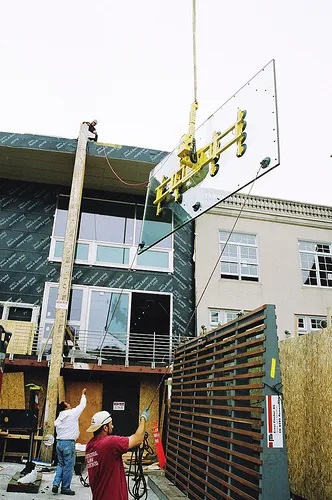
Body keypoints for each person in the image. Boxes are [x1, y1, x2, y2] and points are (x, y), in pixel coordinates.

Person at [85, 407, 150, 500]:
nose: (113, 426)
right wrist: (143, 418)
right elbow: (138, 439)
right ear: (105, 428)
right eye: (111, 424)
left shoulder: (90, 445)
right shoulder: (110, 443)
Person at [52, 388, 87, 496]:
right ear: (65, 407)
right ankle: (65, 488)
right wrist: (83, 394)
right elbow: (82, 405)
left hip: (59, 444)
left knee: (61, 464)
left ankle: (56, 484)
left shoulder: (59, 418)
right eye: (67, 403)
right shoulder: (72, 413)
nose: (69, 403)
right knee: (68, 467)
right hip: (68, 444)